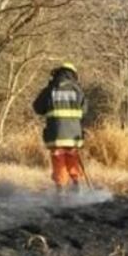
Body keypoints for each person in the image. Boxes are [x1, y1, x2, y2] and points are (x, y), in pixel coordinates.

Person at [33, 62, 88, 193]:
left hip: (55, 134)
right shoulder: (78, 90)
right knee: (72, 157)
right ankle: (77, 188)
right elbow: (84, 110)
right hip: (73, 134)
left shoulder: (51, 89)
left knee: (59, 159)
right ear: (73, 74)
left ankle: (61, 191)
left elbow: (37, 108)